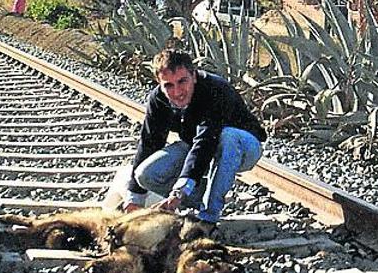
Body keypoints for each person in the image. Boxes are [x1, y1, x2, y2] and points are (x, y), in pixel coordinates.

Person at [104, 49, 265, 225]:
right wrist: (134, 199)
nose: (177, 91)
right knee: (145, 175)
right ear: (159, 83)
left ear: (194, 76)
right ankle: (203, 196)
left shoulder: (215, 89)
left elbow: (206, 139)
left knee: (227, 136)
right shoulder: (158, 100)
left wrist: (180, 191)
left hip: (243, 145)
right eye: (168, 85)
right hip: (196, 143)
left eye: (182, 81)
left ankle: (208, 218)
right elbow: (149, 142)